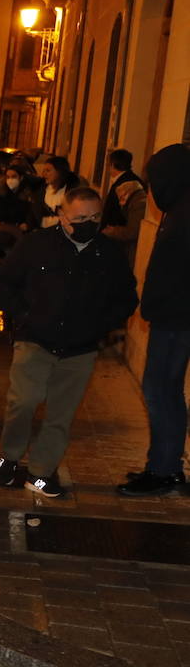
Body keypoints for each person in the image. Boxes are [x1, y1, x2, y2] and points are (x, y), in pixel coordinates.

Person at [0, 188, 138, 497]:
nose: (88, 223)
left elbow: (126, 298)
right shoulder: (36, 245)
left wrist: (99, 327)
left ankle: (41, 472)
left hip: (79, 349)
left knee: (61, 414)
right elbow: (2, 284)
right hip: (35, 341)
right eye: (80, 218)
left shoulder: (108, 253)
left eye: (95, 217)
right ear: (61, 215)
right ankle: (10, 455)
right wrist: (25, 315)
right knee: (23, 402)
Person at [118, 143, 190, 497]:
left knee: (160, 391)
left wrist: (157, 307)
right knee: (166, 392)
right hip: (172, 318)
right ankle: (164, 466)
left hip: (176, 321)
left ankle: (163, 471)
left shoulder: (184, 213)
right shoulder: (178, 209)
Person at [101, 148, 143, 231]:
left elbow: (112, 212)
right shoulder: (137, 180)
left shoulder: (121, 185)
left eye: (108, 164)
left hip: (118, 233)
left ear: (112, 165)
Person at [37, 156, 77, 228]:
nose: (44, 174)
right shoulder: (42, 190)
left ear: (60, 172)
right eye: (44, 171)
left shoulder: (72, 192)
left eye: (48, 171)